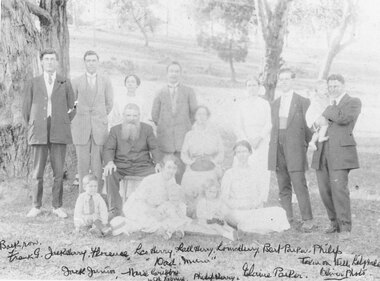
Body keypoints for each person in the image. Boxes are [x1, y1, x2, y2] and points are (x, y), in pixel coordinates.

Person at [22, 48, 76, 218]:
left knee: (58, 171)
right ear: (42, 62)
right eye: (46, 59)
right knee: (37, 171)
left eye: (53, 59)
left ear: (57, 62)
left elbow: (72, 108)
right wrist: (35, 124)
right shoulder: (33, 82)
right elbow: (26, 109)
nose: (50, 62)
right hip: (39, 130)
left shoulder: (65, 82)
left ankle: (57, 206)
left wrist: (62, 121)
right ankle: (36, 206)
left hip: (59, 129)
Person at [311, 74, 361, 240]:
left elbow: (343, 118)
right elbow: (315, 124)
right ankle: (334, 222)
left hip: (340, 153)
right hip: (322, 150)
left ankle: (345, 227)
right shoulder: (326, 103)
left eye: (336, 86)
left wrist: (327, 109)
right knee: (324, 190)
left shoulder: (353, 102)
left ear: (343, 85)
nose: (332, 89)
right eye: (330, 86)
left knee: (339, 190)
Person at [268, 68, 315, 232]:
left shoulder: (303, 102)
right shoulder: (275, 103)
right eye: (281, 79)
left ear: (293, 81)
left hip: (295, 150)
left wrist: (302, 147)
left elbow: (309, 129)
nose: (284, 82)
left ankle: (308, 220)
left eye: (287, 79)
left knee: (299, 185)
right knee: (283, 186)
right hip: (277, 149)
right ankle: (287, 218)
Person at [103, 103, 160, 218]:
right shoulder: (115, 130)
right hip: (122, 166)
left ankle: (153, 210)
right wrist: (109, 162)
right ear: (123, 116)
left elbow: (154, 147)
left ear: (139, 116)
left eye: (135, 116)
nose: (131, 119)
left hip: (143, 166)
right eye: (128, 115)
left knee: (159, 175)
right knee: (110, 172)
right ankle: (114, 209)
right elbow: (109, 148)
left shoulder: (147, 129)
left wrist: (158, 163)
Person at [221, 141, 290, 234]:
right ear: (235, 155)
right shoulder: (229, 173)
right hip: (236, 210)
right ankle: (253, 226)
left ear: (250, 153)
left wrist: (254, 205)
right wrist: (239, 206)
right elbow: (224, 197)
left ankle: (251, 226)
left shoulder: (255, 172)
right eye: (238, 152)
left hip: (252, 209)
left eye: (244, 151)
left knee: (279, 211)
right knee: (246, 219)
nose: (242, 155)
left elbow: (260, 194)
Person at [71, 50, 113, 193]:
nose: (91, 63)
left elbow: (109, 104)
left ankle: (97, 197)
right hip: (81, 128)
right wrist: (80, 118)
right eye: (88, 60)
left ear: (98, 62)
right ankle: (83, 197)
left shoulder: (105, 81)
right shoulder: (76, 81)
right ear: (84, 63)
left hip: (99, 128)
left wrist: (98, 117)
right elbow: (70, 105)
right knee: (82, 165)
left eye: (93, 60)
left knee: (97, 165)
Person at [151, 61, 198, 184]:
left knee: (179, 173)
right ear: (167, 73)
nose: (174, 74)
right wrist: (165, 127)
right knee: (165, 173)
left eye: (177, 71)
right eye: (171, 71)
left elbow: (194, 114)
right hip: (165, 141)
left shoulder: (189, 92)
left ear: (180, 73)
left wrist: (184, 127)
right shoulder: (160, 92)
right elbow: (155, 115)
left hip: (182, 140)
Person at [120, 155, 181, 235]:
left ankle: (168, 228)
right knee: (148, 221)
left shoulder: (172, 180)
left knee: (176, 210)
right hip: (138, 206)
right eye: (169, 167)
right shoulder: (151, 180)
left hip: (154, 206)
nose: (171, 171)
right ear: (162, 168)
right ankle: (159, 228)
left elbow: (170, 200)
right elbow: (141, 201)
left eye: (174, 168)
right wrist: (155, 212)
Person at [181, 105, 224, 217]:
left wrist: (214, 162)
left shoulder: (214, 133)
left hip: (210, 165)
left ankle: (207, 210)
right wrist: (190, 163)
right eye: (198, 114)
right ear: (195, 116)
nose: (201, 117)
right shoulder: (189, 135)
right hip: (194, 164)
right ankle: (191, 210)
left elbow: (221, 152)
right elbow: (184, 154)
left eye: (204, 114)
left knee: (209, 179)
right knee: (188, 179)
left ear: (208, 116)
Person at [235, 78, 271, 203]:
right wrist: (247, 141)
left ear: (259, 87)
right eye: (249, 85)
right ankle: (245, 195)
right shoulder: (241, 104)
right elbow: (238, 125)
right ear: (246, 88)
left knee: (261, 168)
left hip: (261, 139)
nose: (252, 88)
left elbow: (269, 123)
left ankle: (261, 197)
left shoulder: (264, 104)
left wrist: (259, 138)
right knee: (245, 165)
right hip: (246, 140)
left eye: (254, 85)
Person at [305, 80, 330, 151]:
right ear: (317, 91)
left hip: (315, 118)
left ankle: (312, 142)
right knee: (325, 124)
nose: (325, 91)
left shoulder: (323, 98)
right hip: (313, 118)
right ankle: (321, 137)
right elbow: (320, 109)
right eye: (322, 89)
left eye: (326, 89)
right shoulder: (316, 99)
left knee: (317, 132)